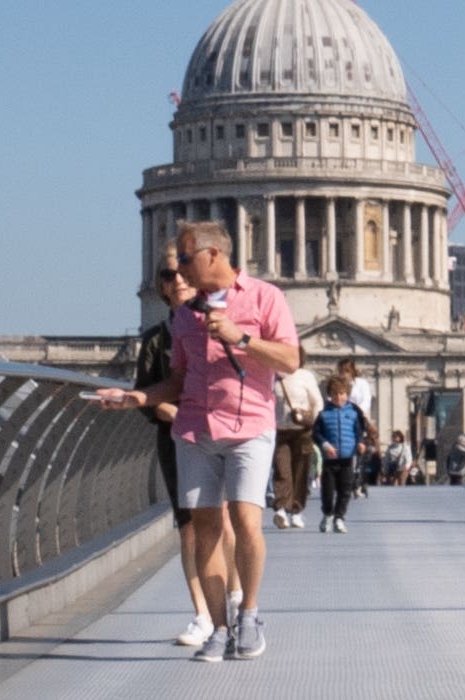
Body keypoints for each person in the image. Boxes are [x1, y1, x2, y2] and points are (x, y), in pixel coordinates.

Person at [91, 220, 302, 663]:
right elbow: (179, 380)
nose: (177, 271)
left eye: (184, 259)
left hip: (249, 426)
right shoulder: (186, 316)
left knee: (245, 521)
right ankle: (219, 628)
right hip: (195, 430)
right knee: (205, 533)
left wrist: (241, 338)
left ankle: (249, 614)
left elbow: (290, 359)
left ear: (212, 255)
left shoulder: (266, 298)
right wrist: (137, 398)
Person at [131, 262, 220, 647]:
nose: (179, 279)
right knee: (189, 529)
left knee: (226, 524)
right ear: (162, 286)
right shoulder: (156, 339)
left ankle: (229, 603)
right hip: (178, 439)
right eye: (168, 274)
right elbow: (146, 395)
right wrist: (181, 414)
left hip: (221, 436)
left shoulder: (222, 324)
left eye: (185, 270)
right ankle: (202, 613)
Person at [313, 362, 370, 533]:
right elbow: (316, 433)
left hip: (347, 457)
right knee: (328, 491)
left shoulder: (354, 412)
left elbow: (360, 430)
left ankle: (339, 517)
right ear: (329, 394)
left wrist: (361, 443)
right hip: (330, 459)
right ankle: (328, 513)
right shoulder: (323, 413)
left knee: (345, 490)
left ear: (347, 394)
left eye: (342, 394)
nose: (339, 397)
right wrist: (324, 445)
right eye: (335, 394)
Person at [270, 360, 324, 530]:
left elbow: (318, 403)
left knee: (301, 472)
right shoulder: (271, 376)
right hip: (280, 432)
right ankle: (281, 509)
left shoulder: (305, 376)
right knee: (281, 471)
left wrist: (313, 423)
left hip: (303, 432)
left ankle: (297, 510)